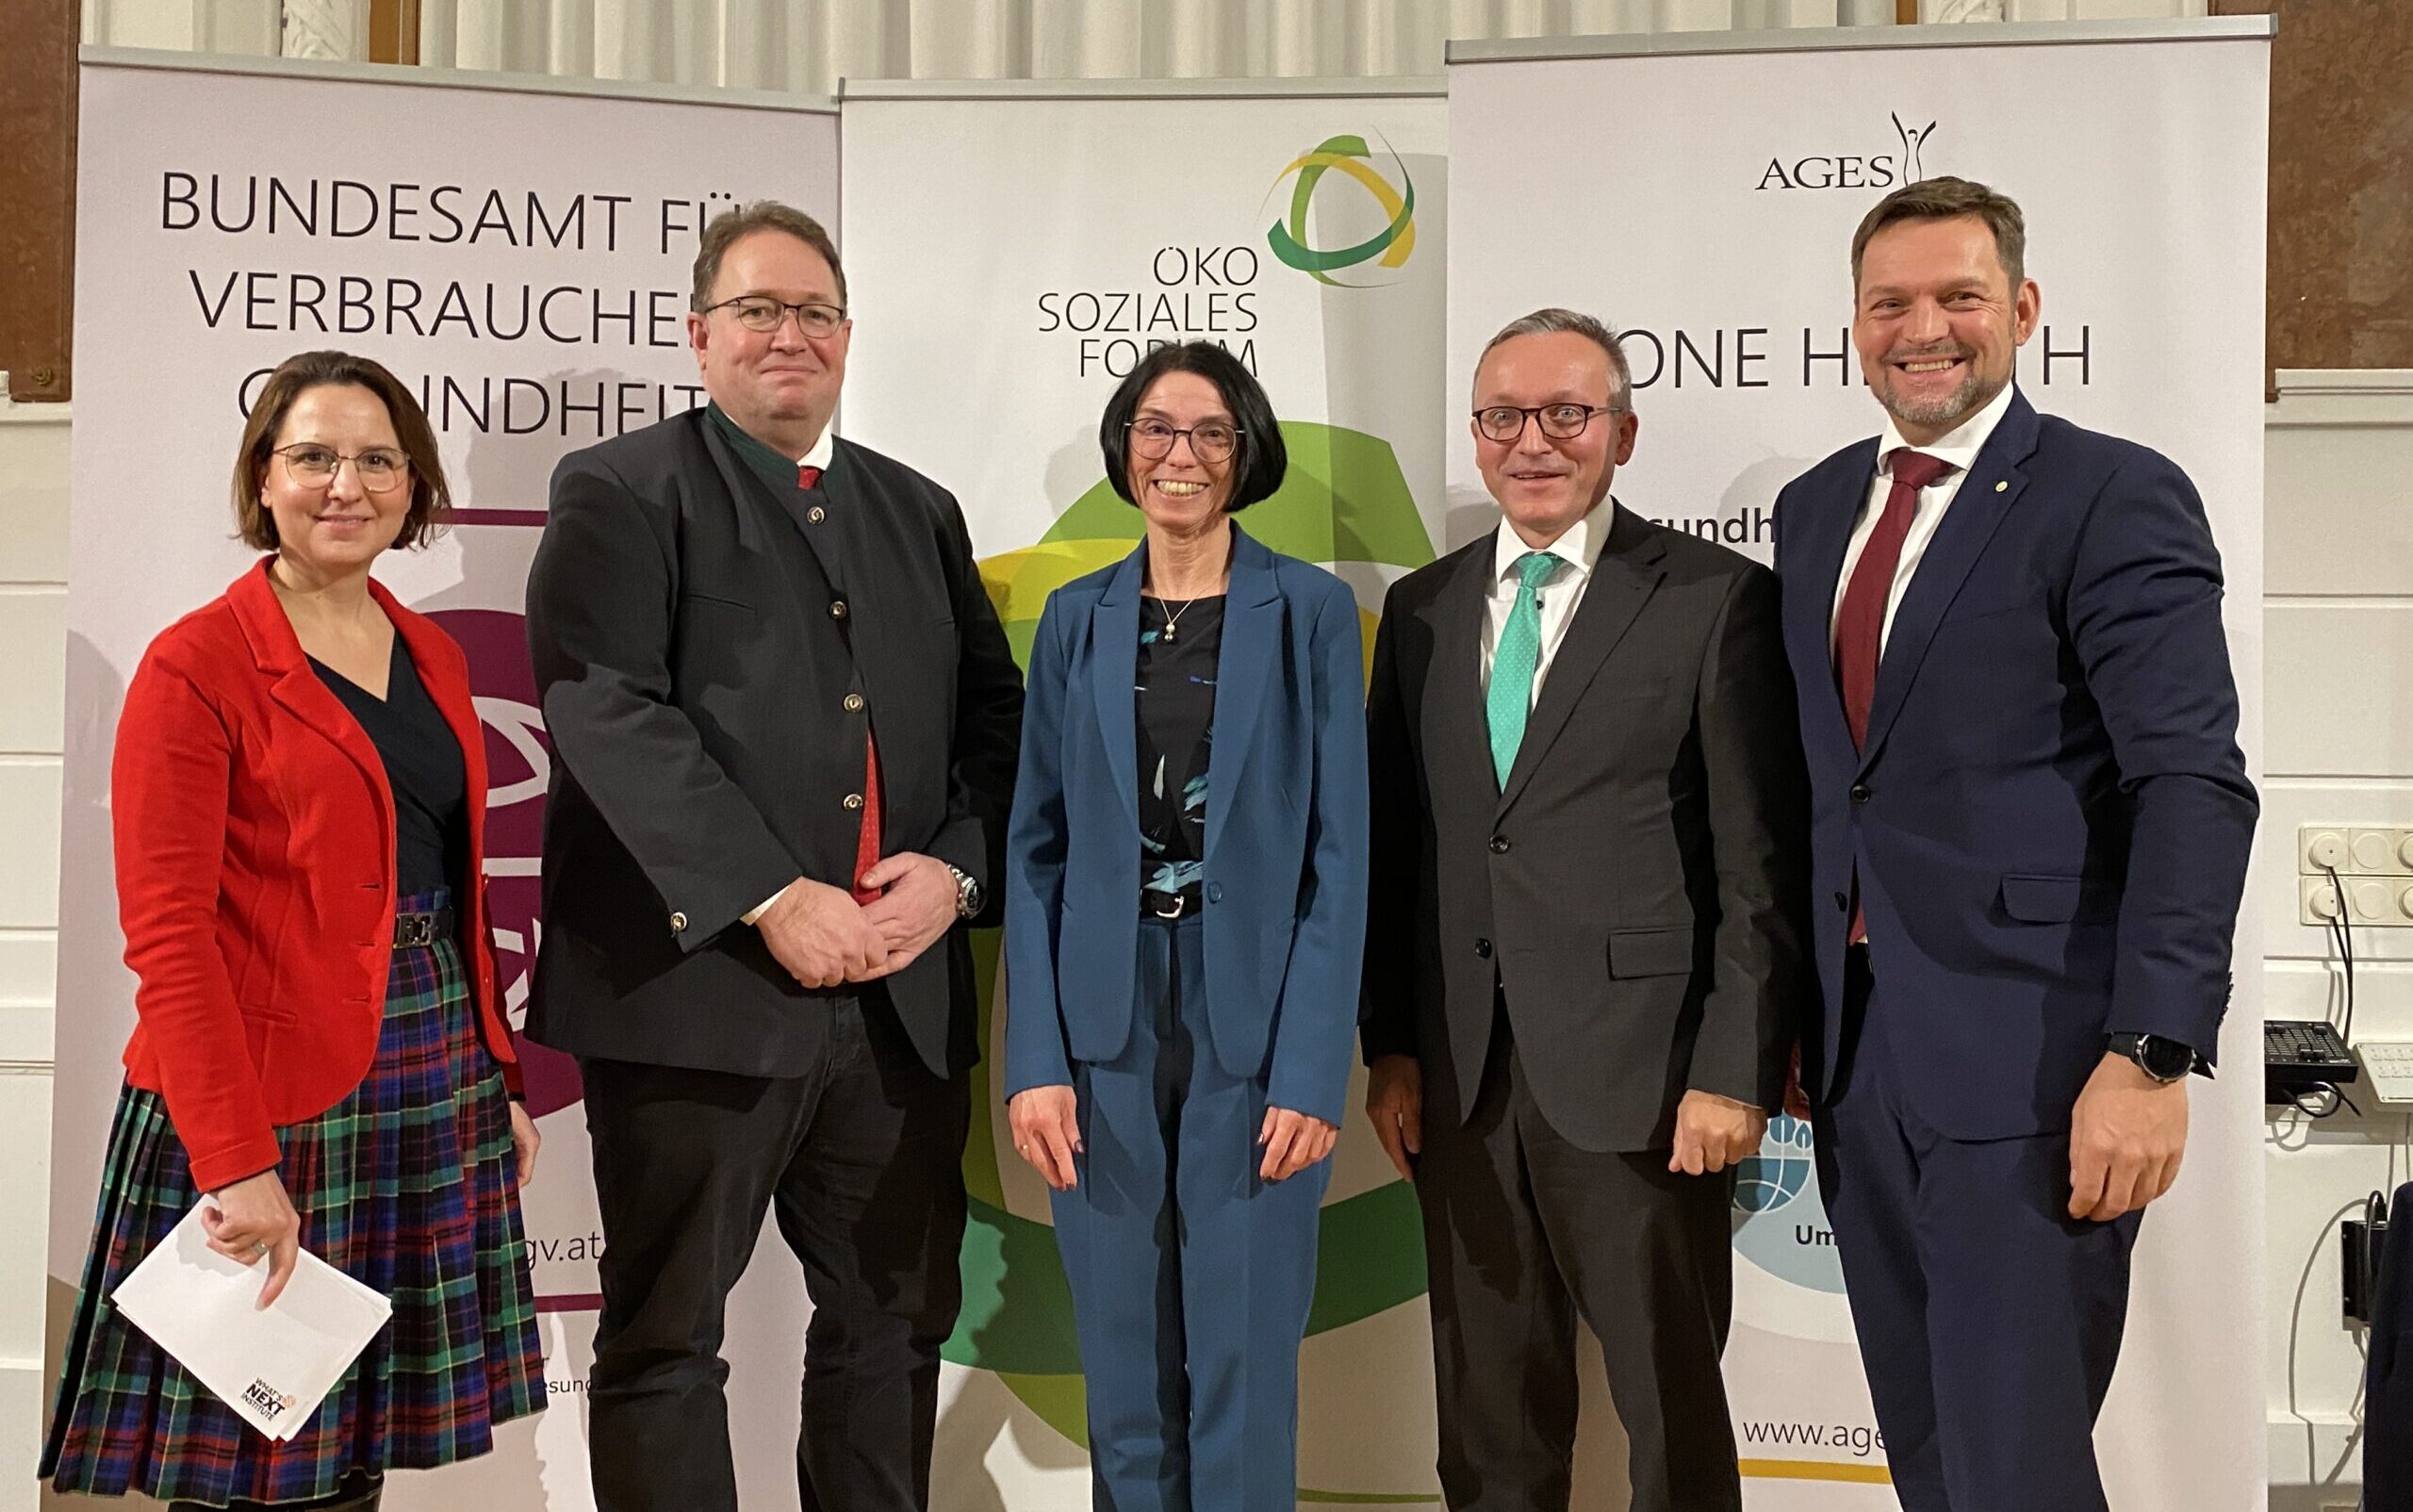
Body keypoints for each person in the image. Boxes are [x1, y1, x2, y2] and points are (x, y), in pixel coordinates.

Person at [523, 201, 1023, 1512]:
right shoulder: (621, 493)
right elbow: (604, 705)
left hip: (899, 1007)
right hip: (697, 1004)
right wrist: (770, 894)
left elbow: (995, 722)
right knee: (667, 1341)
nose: (787, 335)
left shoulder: (921, 511)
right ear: (698, 336)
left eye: (812, 312)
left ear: (849, 338)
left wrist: (957, 873)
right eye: (758, 310)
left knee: (888, 1330)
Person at [1771, 176, 2257, 1512]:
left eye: (1960, 296)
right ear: (1856, 328)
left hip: (2041, 1065)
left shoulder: (2109, 494)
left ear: (2024, 310)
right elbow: (1837, 789)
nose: (1925, 328)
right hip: (1861, 1062)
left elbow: (2192, 784)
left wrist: (2152, 1050)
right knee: (1930, 1459)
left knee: (2017, 1467)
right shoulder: (1817, 511)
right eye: (1892, 304)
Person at [41, 350, 545, 1511]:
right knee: (258, 1460)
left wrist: (497, 1073)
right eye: (313, 455)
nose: (346, 484)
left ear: (413, 486)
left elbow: (451, 888)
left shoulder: (433, 651)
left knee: (351, 1439)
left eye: (378, 459)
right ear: (263, 477)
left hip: (428, 1072)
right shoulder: (195, 661)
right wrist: (234, 1158)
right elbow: (168, 938)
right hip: (266, 1095)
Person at [1360, 308, 1810, 1512]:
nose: (1534, 441)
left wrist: (1735, 1069)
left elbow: (1755, 863)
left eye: (1568, 413)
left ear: (1622, 432)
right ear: (1476, 433)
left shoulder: (1715, 598)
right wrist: (1392, 1045)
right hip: (1460, 1083)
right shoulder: (1422, 609)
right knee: (1487, 1420)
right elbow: (1400, 849)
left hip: (1648, 1083)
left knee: (1669, 1415)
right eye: (1504, 416)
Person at [1002, 341, 1368, 1510]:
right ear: (1124, 448)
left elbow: (1338, 853)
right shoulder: (1075, 617)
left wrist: (1314, 1069)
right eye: (1158, 429)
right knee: (1121, 1363)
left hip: (1254, 1025)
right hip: (1101, 1025)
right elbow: (1035, 848)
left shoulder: (1308, 609)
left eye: (1211, 433)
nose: (1181, 456)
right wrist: (1036, 1063)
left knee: (1243, 1359)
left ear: (1245, 453)